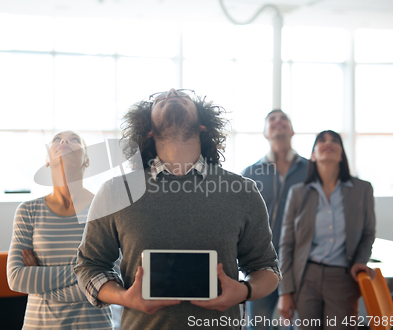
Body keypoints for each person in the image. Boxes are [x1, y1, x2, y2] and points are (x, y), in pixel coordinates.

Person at [74, 89, 281, 330]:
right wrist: (124, 297)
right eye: (158, 98)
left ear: (203, 125)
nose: (171, 92)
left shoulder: (242, 190)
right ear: (148, 130)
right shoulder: (116, 191)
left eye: (184, 95)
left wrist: (244, 290)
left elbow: (267, 268)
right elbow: (89, 265)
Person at [7, 131, 115, 329]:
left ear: (87, 160)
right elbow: (16, 278)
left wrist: (39, 282)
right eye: (57, 139)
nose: (64, 141)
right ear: (47, 160)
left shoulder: (105, 208)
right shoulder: (28, 211)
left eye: (74, 139)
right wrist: (90, 273)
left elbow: (114, 277)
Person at [278, 130, 376, 329]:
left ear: (341, 155)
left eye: (334, 141)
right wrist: (285, 291)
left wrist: (360, 261)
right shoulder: (298, 192)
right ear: (313, 155)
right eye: (322, 140)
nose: (328, 143)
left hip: (343, 278)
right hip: (305, 278)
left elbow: (368, 234)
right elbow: (286, 244)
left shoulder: (362, 189)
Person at [241, 110, 308, 329]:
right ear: (264, 132)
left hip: (300, 267)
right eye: (272, 119)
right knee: (258, 325)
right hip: (260, 266)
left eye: (284, 119)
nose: (278, 122)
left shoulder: (311, 171)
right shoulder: (250, 173)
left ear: (292, 130)